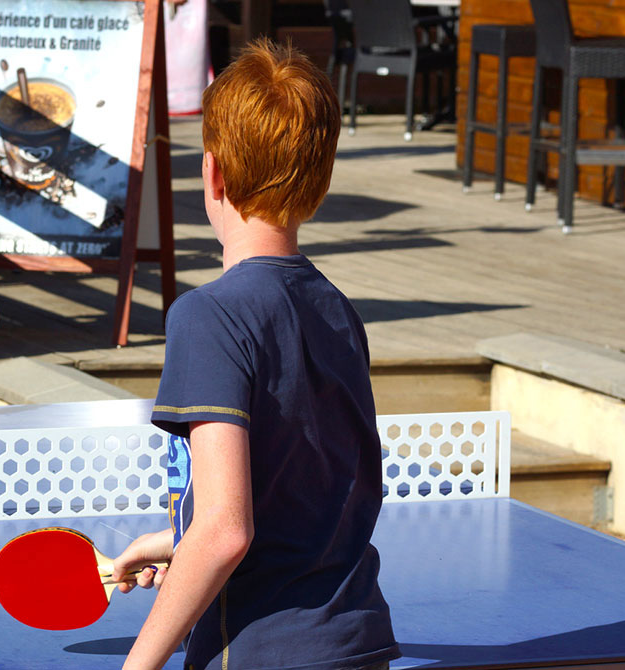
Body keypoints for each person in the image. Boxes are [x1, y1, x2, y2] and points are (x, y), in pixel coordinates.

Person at [110, 39, 400, 670]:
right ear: (319, 183)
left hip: (261, 652)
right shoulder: (339, 311)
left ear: (210, 172)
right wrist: (172, 543)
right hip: (357, 643)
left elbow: (226, 531)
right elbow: (300, 499)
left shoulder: (208, 316)